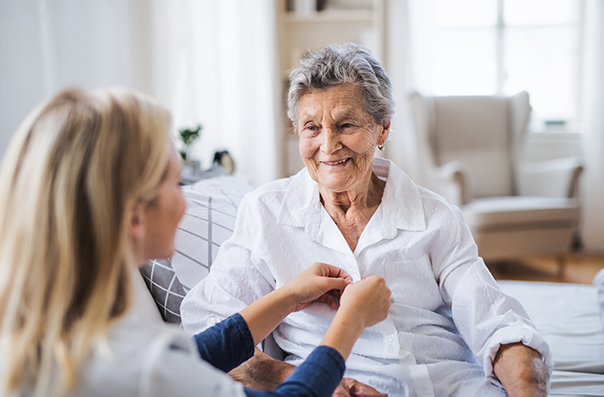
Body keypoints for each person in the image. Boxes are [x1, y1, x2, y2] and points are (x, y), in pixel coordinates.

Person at [181, 43, 553, 396]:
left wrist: (524, 384)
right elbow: (208, 326)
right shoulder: (265, 212)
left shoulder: (436, 217)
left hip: (447, 384)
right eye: (312, 127)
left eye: (346, 126)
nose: (327, 146)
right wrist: (291, 378)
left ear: (383, 129)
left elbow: (498, 325)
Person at [0, 87, 393, 397]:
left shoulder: (60, 336)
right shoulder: (145, 369)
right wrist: (351, 320)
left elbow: (197, 354)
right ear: (135, 215)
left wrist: (287, 296)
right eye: (176, 182)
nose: (185, 199)